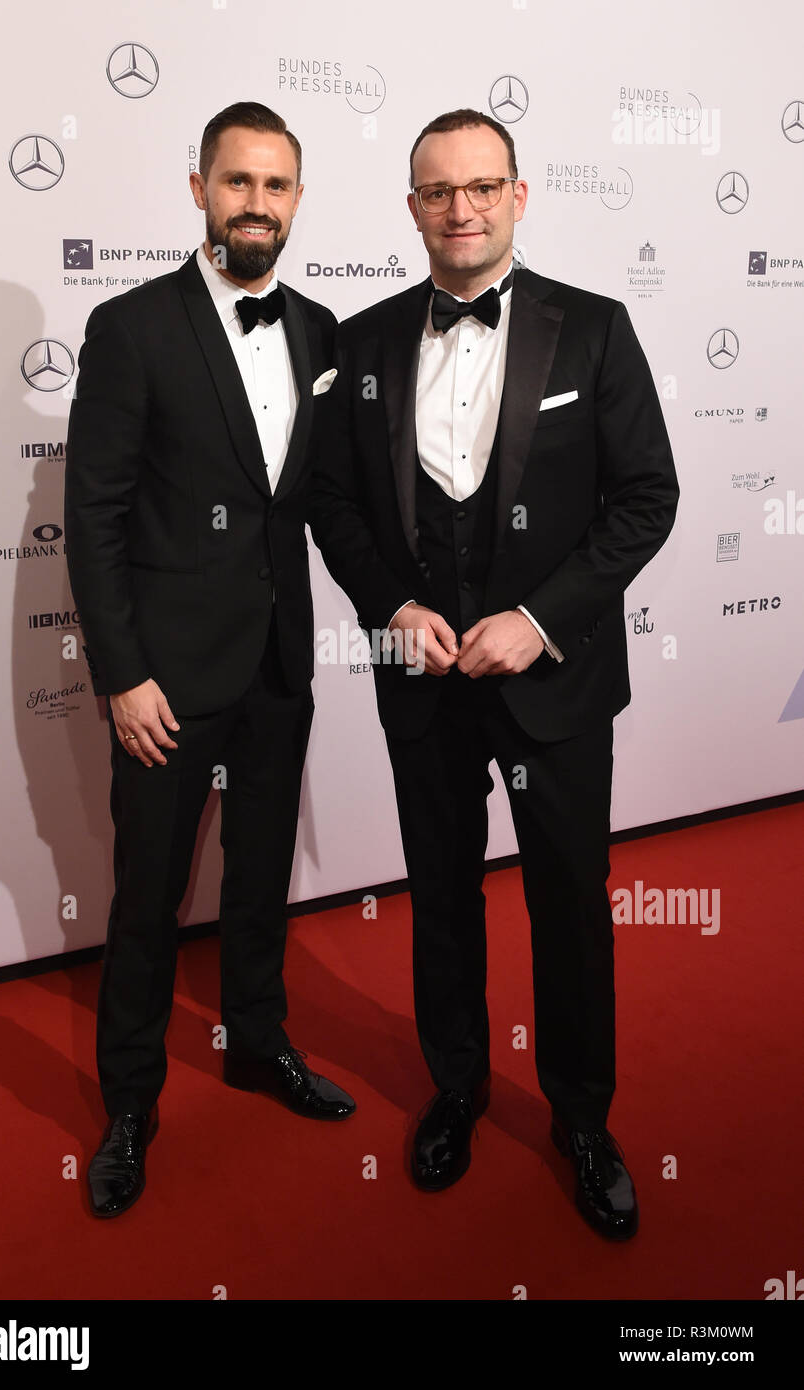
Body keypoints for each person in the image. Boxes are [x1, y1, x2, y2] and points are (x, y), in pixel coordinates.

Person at [310, 108, 678, 1239]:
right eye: (437, 190)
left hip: (554, 678)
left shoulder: (596, 330)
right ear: (410, 205)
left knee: (569, 903)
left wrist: (537, 615)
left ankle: (579, 1116)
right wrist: (393, 606)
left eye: (480, 186)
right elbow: (333, 504)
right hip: (421, 677)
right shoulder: (360, 343)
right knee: (440, 896)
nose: (459, 208)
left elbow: (643, 499)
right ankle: (457, 1087)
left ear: (519, 195)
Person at [65, 101, 354, 1221]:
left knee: (258, 879)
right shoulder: (132, 327)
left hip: (280, 666)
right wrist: (121, 675)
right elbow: (94, 519)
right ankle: (129, 1103)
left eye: (276, 186)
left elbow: (323, 504)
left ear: (295, 199)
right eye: (237, 183)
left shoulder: (323, 331)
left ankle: (256, 1043)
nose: (256, 205)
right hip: (165, 686)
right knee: (147, 900)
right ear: (198, 190)